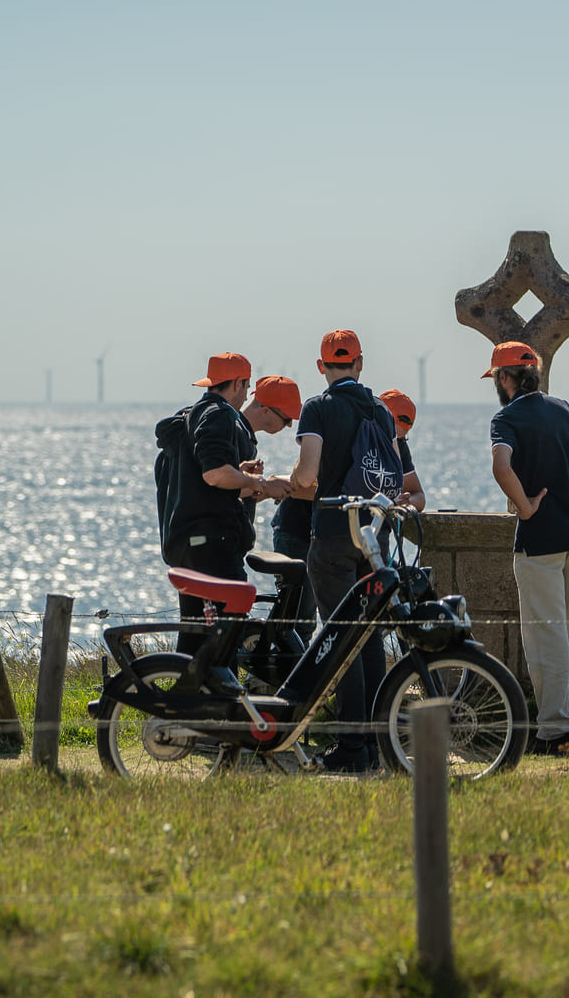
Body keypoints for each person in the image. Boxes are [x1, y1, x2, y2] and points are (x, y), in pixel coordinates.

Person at [484, 341, 569, 755]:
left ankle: (553, 730)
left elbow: (500, 465)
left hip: (540, 538)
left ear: (505, 378)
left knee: (546, 635)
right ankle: (567, 720)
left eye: (496, 377)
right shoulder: (565, 409)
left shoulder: (506, 418)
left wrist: (525, 507)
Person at [288, 329, 408, 772]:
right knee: (370, 639)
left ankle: (352, 749)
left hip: (336, 531)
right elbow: (391, 470)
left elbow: (308, 473)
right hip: (375, 537)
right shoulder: (379, 408)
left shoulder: (317, 408)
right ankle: (377, 743)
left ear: (322, 367)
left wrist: (294, 481)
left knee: (341, 641)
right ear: (360, 363)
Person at [155, 352, 287, 649]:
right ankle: (210, 691)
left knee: (195, 636)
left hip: (188, 542)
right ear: (239, 384)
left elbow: (205, 479)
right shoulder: (220, 413)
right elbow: (214, 474)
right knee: (227, 632)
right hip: (213, 545)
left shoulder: (196, 412)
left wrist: (238, 474)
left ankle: (190, 691)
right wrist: (256, 482)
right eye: (246, 385)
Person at [377, 388, 427, 512]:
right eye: (392, 436)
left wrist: (407, 502)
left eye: (401, 438)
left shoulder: (400, 444)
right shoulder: (357, 437)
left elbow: (419, 496)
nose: (396, 443)